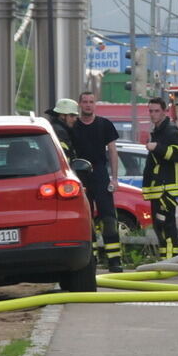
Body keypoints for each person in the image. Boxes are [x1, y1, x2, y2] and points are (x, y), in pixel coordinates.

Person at [74, 91, 123, 273]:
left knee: (108, 217)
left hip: (100, 174)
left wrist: (115, 178)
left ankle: (115, 261)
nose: (88, 105)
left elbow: (112, 151)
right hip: (79, 175)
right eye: (85, 102)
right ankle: (90, 260)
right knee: (86, 218)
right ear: (79, 104)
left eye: (91, 102)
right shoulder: (74, 126)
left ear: (95, 104)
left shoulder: (104, 125)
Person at [142, 96, 178, 260]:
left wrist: (157, 147)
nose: (153, 114)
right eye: (151, 111)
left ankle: (170, 260)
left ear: (164, 111)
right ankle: (166, 258)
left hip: (166, 189)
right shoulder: (157, 131)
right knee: (159, 225)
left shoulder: (171, 130)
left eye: (156, 111)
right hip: (159, 189)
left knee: (165, 224)